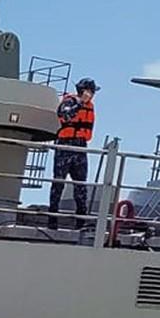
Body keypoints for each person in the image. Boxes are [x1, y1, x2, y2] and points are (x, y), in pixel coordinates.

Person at [48, 78, 97, 229]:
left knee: (80, 185)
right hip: (65, 145)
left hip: (80, 146)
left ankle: (81, 220)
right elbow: (65, 116)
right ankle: (52, 220)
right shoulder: (69, 101)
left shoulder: (90, 106)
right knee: (58, 183)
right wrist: (80, 103)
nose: (93, 95)